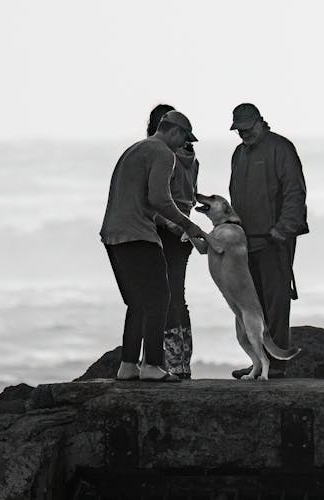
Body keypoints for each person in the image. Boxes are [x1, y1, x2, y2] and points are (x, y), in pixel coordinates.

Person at [100, 110, 205, 382]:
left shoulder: (134, 150)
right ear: (172, 130)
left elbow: (140, 199)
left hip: (113, 235)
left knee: (137, 303)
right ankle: (152, 366)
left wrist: (170, 224)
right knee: (160, 298)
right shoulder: (163, 153)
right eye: (183, 136)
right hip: (139, 236)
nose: (184, 143)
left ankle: (128, 365)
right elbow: (159, 198)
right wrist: (189, 225)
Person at [227, 103, 309, 379]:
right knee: (252, 305)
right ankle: (259, 362)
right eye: (239, 130)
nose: (243, 135)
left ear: (260, 122)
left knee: (276, 302)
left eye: (248, 129)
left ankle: (278, 365)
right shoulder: (238, 154)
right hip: (245, 243)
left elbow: (294, 192)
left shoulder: (281, 148)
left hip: (274, 240)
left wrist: (283, 228)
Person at [146, 104, 199, 379]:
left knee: (163, 295)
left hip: (167, 228)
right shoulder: (192, 158)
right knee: (177, 294)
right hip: (184, 230)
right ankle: (182, 359)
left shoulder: (165, 157)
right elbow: (189, 195)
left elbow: (159, 197)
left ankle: (169, 360)